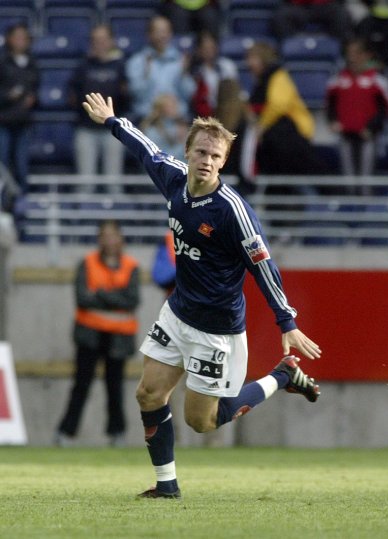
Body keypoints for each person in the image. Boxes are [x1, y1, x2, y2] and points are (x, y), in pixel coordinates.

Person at [81, 92, 322, 498]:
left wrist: (287, 321)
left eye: (215, 155)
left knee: (202, 421)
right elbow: (146, 150)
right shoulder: (175, 179)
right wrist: (112, 120)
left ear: (224, 161)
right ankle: (166, 486)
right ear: (188, 152)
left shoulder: (232, 211)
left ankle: (283, 376)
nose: (207, 160)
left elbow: (263, 266)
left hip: (217, 330)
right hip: (178, 313)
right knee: (148, 393)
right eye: (201, 152)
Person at [55, 220, 141, 447]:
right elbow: (82, 298)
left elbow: (132, 300)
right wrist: (115, 297)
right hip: (89, 334)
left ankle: (117, 433)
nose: (110, 240)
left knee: (115, 387)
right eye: (105, 235)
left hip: (119, 337)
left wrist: (101, 294)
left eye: (113, 235)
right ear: (99, 239)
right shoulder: (87, 263)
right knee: (81, 385)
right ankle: (66, 433)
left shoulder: (131, 266)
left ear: (121, 238)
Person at [245, 41, 328, 179]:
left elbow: (278, 105)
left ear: (263, 58)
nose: (248, 63)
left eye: (252, 58)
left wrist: (261, 126)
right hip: (275, 141)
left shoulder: (278, 76)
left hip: (292, 137)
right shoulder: (261, 82)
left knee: (301, 179)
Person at [325, 37, 388, 183]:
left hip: (367, 136)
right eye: (349, 53)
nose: (352, 58)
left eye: (356, 53)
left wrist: (372, 127)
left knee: (366, 179)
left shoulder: (377, 80)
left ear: (366, 55)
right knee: (347, 178)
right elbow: (329, 104)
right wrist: (333, 121)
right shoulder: (338, 80)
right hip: (345, 135)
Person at [69, 24, 129, 192]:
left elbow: (127, 96)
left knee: (114, 183)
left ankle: (114, 211)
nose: (100, 44)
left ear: (111, 41)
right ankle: (84, 210)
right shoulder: (83, 66)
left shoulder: (120, 66)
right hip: (86, 128)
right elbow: (72, 96)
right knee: (85, 184)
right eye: (96, 40)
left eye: (103, 40)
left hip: (113, 129)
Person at [125, 16, 196, 123]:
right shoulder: (137, 61)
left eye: (165, 31)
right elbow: (136, 95)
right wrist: (146, 75)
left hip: (176, 121)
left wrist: (184, 74)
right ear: (149, 35)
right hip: (147, 120)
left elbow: (189, 94)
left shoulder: (180, 60)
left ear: (170, 34)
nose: (162, 35)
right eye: (158, 31)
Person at [0, 23, 38, 194]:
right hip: (3, 120)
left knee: (22, 165)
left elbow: (35, 87)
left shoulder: (32, 62)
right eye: (17, 37)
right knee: (2, 164)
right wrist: (8, 96)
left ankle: (22, 201)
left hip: (23, 121)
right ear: (9, 39)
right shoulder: (2, 60)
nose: (21, 41)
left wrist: (33, 97)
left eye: (24, 37)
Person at [189, 31, 238, 119]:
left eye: (212, 47)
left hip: (228, 109)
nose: (209, 51)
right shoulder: (196, 72)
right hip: (206, 113)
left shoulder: (227, 65)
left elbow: (234, 91)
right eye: (205, 48)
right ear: (199, 50)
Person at [272, 0, 353, 43]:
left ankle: (341, 51)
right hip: (299, 7)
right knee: (281, 17)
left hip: (325, 6)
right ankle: (289, 49)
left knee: (341, 15)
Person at [140, 93, 190, 158]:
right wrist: (183, 144)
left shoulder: (179, 125)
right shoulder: (152, 132)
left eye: (176, 104)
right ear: (162, 110)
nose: (176, 108)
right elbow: (158, 158)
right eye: (172, 106)